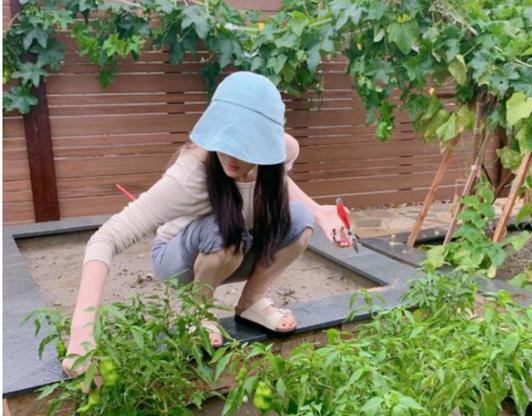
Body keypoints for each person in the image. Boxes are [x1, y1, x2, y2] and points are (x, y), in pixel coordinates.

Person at [62, 71, 352, 376]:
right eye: (224, 139)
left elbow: (276, 177)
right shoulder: (190, 176)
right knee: (223, 232)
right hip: (181, 259)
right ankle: (196, 315)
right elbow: (105, 238)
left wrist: (319, 211)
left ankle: (251, 302)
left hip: (237, 247)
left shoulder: (283, 150)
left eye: (244, 145)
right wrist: (82, 334)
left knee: (301, 221)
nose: (228, 153)